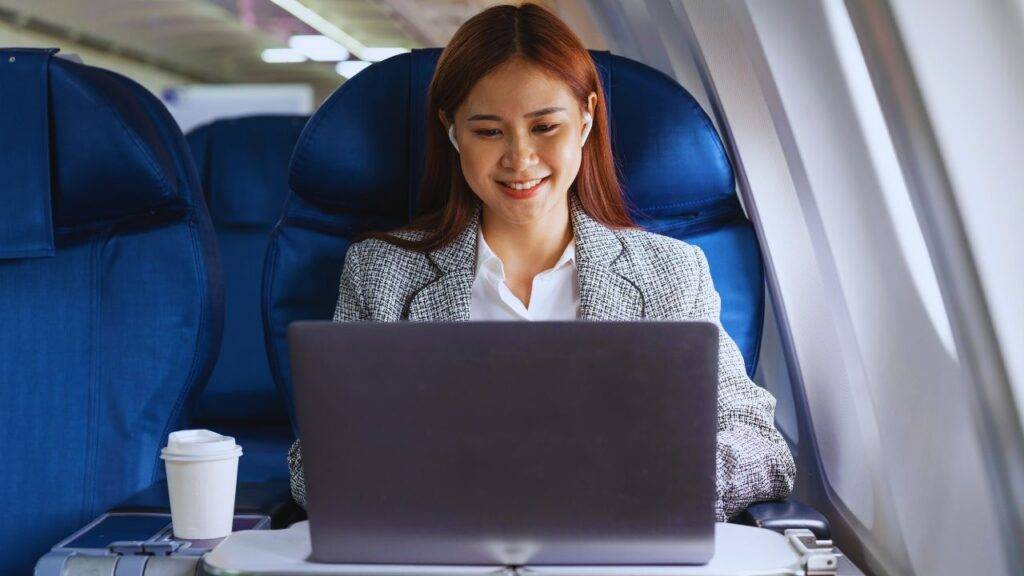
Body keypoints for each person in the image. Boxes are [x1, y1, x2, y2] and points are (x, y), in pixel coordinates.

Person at [288, 2, 795, 523]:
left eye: (544, 127)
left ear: (586, 119)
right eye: (488, 131)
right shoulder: (381, 273)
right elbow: (315, 459)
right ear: (451, 130)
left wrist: (643, 483)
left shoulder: (669, 272)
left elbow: (758, 442)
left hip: (613, 544)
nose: (520, 158)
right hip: (446, 547)